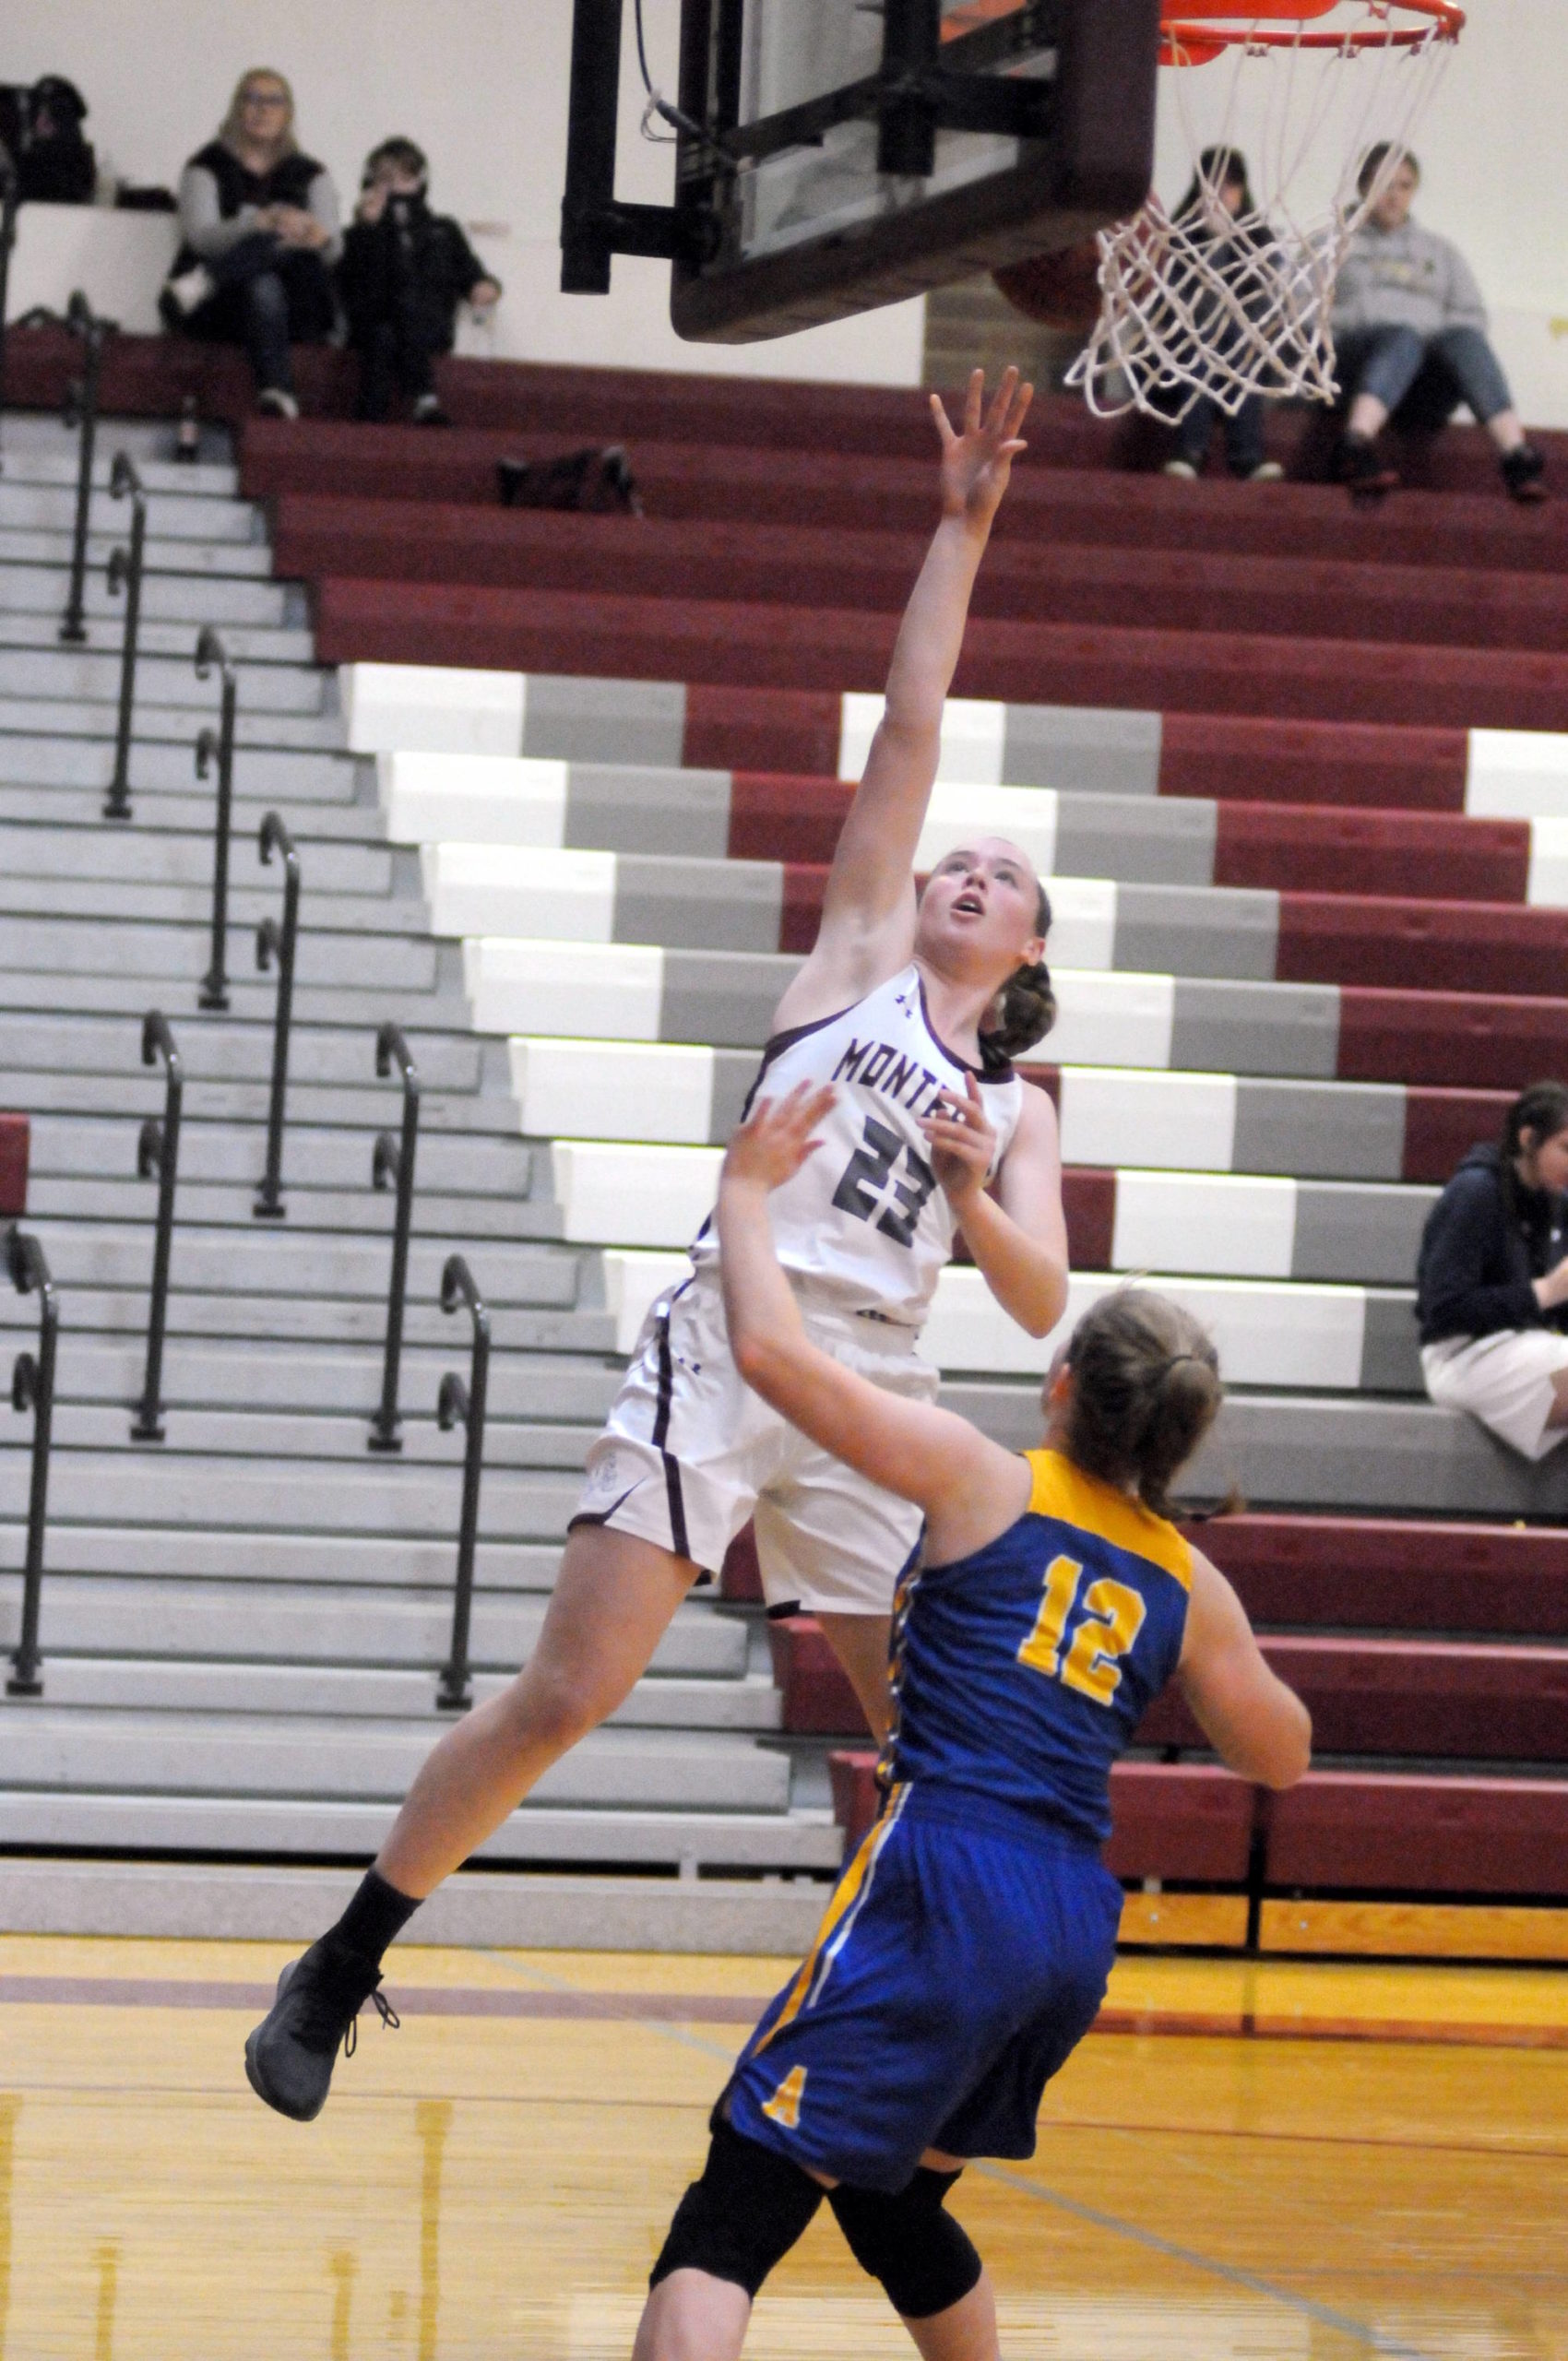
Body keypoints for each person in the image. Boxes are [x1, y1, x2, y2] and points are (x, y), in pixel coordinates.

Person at [244, 368, 1074, 2122]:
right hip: (733, 1331)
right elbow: (912, 724)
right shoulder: (856, 956)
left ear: (1030, 947)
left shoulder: (1019, 1098)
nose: (969, 871)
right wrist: (962, 522)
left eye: (1004, 876)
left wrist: (981, 1187)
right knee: (569, 1691)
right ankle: (348, 1956)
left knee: (945, 1744)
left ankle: (908, 2017)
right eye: (960, 862)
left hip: (877, 1392)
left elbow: (1041, 1296)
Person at [629, 1085, 1312, 2361]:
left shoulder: (974, 1474)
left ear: (1062, 1388)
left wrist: (743, 1192)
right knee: (891, 2202)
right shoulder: (1187, 1580)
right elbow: (1282, 1754)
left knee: (736, 2203)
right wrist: (1204, 1647)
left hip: (942, 1872)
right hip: (1065, 1922)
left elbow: (773, 1361)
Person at [1332, 145, 1546, 504]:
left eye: (1404, 185)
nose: (1394, 195)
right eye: (1385, 183)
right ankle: (1354, 443)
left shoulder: (1440, 251)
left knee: (1465, 339)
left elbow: (1471, 314)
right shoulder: (1334, 244)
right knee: (1401, 337)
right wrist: (1386, 323)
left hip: (1422, 381)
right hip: (1351, 369)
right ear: (1364, 185)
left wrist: (1426, 335)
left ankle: (1516, 454)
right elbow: (1303, 312)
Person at [161, 68, 341, 420]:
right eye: (252, 98)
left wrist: (307, 234)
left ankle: (206, 279)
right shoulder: (205, 167)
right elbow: (201, 238)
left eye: (274, 101)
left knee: (281, 240)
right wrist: (257, 222)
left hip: (299, 305)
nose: (262, 109)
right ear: (236, 108)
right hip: (222, 307)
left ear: (288, 113)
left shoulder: (313, 174)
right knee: (263, 279)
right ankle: (277, 389)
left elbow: (333, 250)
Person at [1417, 1081, 1568, 1460]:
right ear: (1529, 1138)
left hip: (1524, 1346)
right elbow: (1445, 1309)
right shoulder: (1476, 1192)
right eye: (1565, 1149)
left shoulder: (1554, 1201)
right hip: (1462, 1355)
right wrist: (1545, 1291)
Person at [339, 137, 501, 424]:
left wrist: (484, 287)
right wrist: (370, 229)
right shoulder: (357, 234)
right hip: (372, 323)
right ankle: (423, 399)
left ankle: (370, 418)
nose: (398, 186)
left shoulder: (444, 230)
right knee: (386, 330)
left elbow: (471, 272)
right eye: (387, 178)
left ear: (420, 182)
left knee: (395, 322)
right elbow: (351, 281)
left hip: (429, 327)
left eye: (406, 177)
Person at [1160, 148, 1283, 486]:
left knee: (1239, 338)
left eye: (1230, 185)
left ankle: (1247, 456)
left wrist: (1230, 239)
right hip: (1180, 354)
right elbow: (1183, 310)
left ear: (1242, 192)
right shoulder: (1176, 241)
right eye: (1212, 185)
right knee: (1203, 338)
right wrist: (1215, 244)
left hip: (1243, 353)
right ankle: (1190, 451)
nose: (1220, 194)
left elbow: (1265, 309)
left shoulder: (1262, 240)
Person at [14, 77, 96, 205]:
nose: (41, 121)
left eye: (52, 113)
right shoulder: (22, 158)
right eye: (38, 111)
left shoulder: (76, 163)